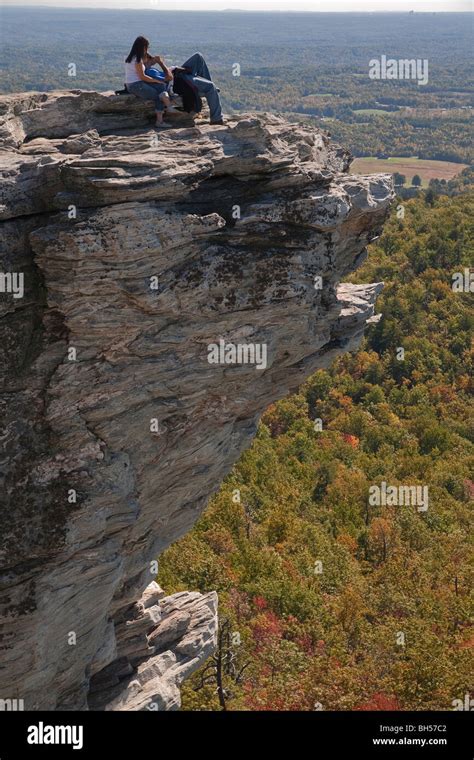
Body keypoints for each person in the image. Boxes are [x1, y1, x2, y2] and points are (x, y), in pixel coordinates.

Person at [124, 36, 178, 129]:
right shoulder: (137, 60)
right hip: (136, 85)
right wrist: (156, 80)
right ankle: (160, 121)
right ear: (143, 47)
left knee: (160, 87)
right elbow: (143, 77)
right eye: (147, 47)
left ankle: (169, 106)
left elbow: (147, 64)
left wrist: (155, 60)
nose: (148, 49)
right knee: (158, 96)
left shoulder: (131, 57)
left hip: (136, 84)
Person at [179, 52, 224, 125]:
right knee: (211, 87)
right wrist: (161, 63)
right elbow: (166, 78)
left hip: (178, 74)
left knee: (198, 56)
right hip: (178, 80)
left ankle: (208, 85)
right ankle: (216, 119)